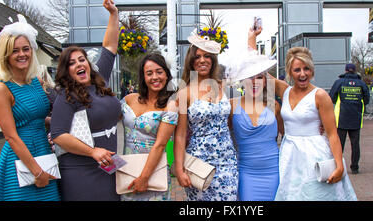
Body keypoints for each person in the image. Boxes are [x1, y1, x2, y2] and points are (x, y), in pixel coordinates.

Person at [49, 0, 120, 201]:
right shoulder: (66, 95)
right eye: (72, 63)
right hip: (81, 170)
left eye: (81, 59)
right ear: (66, 70)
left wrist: (114, 15)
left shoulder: (100, 78)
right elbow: (59, 135)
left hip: (107, 166)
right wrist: (92, 152)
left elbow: (110, 46)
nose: (79, 64)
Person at [272, 47, 357, 201]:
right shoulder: (284, 91)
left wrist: (339, 165)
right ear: (290, 72)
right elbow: (257, 71)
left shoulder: (320, 95)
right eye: (297, 70)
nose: (303, 74)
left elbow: (332, 134)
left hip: (314, 155)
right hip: (289, 155)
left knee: (314, 195)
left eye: (307, 69)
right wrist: (253, 35)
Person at [0, 14, 60, 200]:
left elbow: (39, 119)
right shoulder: (1, 88)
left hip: (43, 151)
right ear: (6, 55)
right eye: (15, 51)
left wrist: (65, 124)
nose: (22, 54)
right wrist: (37, 172)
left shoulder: (37, 82)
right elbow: (10, 136)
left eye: (26, 49)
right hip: (19, 158)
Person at [173, 30, 238, 201]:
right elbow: (179, 135)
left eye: (207, 56)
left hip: (227, 161)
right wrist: (179, 169)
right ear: (191, 61)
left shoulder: (222, 86)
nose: (202, 60)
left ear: (213, 60)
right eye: (198, 56)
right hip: (198, 163)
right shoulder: (184, 93)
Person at [226, 27, 283, 201]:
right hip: (246, 174)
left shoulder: (274, 106)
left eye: (259, 77)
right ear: (242, 81)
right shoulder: (231, 106)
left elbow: (289, 135)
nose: (255, 81)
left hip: (275, 172)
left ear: (265, 81)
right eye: (250, 77)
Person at [120, 53, 178, 201]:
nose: (155, 77)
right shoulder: (129, 99)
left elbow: (160, 144)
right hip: (127, 170)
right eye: (149, 73)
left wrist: (144, 177)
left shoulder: (170, 105)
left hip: (153, 173)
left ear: (166, 75)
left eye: (159, 72)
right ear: (143, 77)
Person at [329, 63, 370, 174]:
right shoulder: (361, 83)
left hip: (341, 118)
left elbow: (331, 97)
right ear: (355, 71)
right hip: (356, 118)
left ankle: (338, 166)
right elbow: (367, 100)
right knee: (355, 144)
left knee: (339, 144)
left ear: (346, 71)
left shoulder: (339, 82)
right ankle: (355, 167)